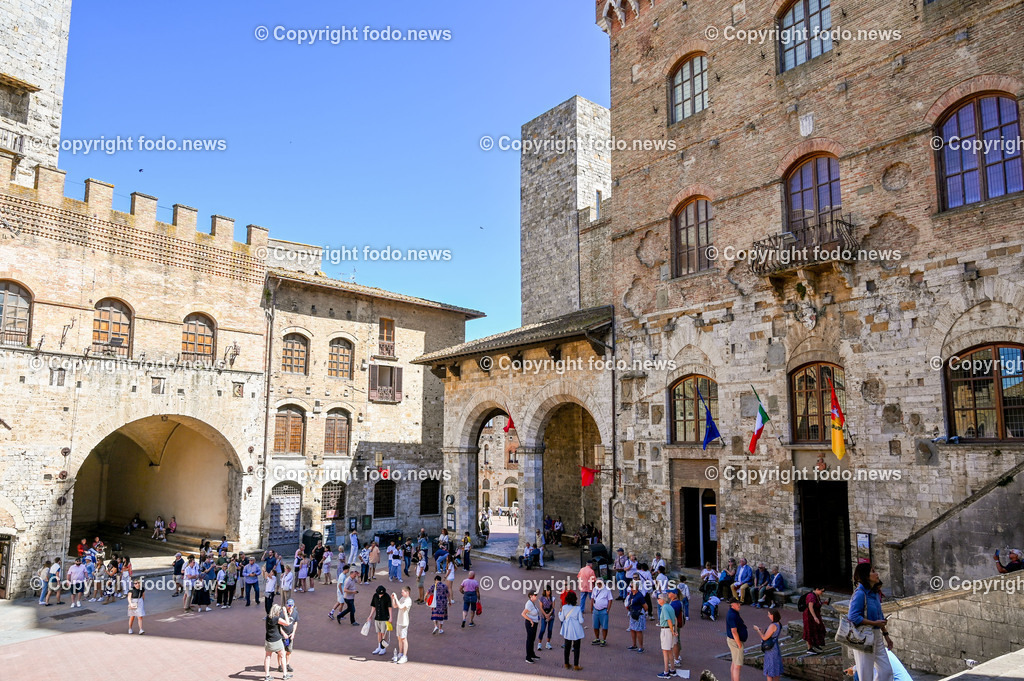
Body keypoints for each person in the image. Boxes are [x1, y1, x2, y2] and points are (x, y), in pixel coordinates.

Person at [848, 562, 894, 681]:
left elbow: (880, 616)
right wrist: (874, 624)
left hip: (877, 635)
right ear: (866, 576)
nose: (877, 574)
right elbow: (853, 617)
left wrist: (886, 636)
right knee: (866, 675)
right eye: (873, 571)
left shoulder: (874, 593)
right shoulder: (859, 594)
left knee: (886, 671)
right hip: (863, 636)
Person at [559, 590, 585, 671]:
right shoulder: (578, 608)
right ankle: (576, 665)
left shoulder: (564, 607)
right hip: (576, 629)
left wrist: (559, 613)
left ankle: (566, 663)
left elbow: (561, 618)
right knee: (577, 648)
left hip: (567, 629)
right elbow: (581, 621)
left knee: (567, 647)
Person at [754, 608, 783, 681]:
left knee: (769, 672)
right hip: (776, 648)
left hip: (771, 651)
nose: (768, 616)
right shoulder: (779, 624)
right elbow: (771, 635)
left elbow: (764, 637)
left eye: (769, 614)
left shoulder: (773, 626)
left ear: (773, 615)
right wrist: (763, 631)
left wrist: (758, 630)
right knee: (776, 671)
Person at [263, 603, 289, 681]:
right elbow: (287, 623)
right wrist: (285, 613)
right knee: (283, 656)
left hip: (268, 640)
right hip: (276, 640)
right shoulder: (276, 619)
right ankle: (285, 674)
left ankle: (267, 675)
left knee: (268, 657)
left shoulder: (268, 617)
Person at [725, 597, 748, 681]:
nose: (739, 605)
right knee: (737, 666)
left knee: (734, 663)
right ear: (732, 605)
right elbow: (734, 631)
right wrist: (739, 644)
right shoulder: (732, 615)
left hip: (734, 641)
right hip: (735, 642)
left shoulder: (733, 613)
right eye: (737, 604)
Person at [657, 592, 678, 679]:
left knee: (665, 651)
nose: (657, 600)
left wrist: (672, 631)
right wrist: (674, 630)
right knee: (670, 650)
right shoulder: (669, 606)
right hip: (670, 629)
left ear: (662, 599)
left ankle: (666, 671)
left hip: (666, 630)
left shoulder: (664, 608)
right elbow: (675, 619)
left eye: (658, 598)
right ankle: (672, 669)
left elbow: (668, 620)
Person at [801, 586, 828, 653]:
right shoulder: (811, 596)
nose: (822, 593)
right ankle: (809, 648)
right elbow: (811, 607)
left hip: (815, 615)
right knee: (810, 631)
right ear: (817, 589)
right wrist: (815, 617)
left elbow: (817, 604)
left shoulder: (816, 596)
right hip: (810, 616)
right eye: (821, 591)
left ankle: (815, 644)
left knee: (818, 629)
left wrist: (823, 603)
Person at [367, 585, 392, 656]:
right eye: (380, 594)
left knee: (383, 633)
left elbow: (389, 607)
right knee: (379, 633)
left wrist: (390, 617)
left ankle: (383, 648)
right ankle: (379, 647)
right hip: (377, 617)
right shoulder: (375, 596)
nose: (381, 595)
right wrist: (370, 615)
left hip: (384, 618)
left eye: (382, 594)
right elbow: (373, 606)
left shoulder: (387, 597)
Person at [390, 586, 412, 663]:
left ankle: (405, 656)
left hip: (404, 622)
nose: (401, 593)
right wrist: (393, 599)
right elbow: (395, 606)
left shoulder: (408, 600)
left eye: (403, 592)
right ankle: (400, 653)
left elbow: (401, 607)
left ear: (407, 592)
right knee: (399, 638)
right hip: (399, 621)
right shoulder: (402, 598)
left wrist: (396, 598)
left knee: (404, 638)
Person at [590, 577, 613, 646]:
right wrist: (591, 607)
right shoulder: (594, 589)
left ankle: (604, 639)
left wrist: (608, 609)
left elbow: (610, 600)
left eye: (600, 583)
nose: (598, 585)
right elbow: (592, 598)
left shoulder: (607, 590)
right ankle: (597, 639)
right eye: (597, 583)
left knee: (604, 626)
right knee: (595, 626)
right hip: (596, 610)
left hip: (603, 610)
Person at [627, 581, 647, 652]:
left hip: (638, 614)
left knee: (638, 630)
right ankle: (634, 645)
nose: (631, 588)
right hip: (632, 613)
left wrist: (641, 612)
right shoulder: (632, 594)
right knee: (632, 629)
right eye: (630, 586)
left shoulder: (639, 595)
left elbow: (645, 606)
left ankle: (641, 647)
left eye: (632, 586)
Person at [280, 599, 298, 678]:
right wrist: (283, 633)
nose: (290, 607)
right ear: (286, 605)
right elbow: (279, 625)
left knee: (289, 651)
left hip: (290, 635)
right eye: (289, 606)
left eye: (292, 605)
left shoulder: (295, 613)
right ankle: (280, 665)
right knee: (281, 652)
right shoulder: (282, 613)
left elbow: (295, 623)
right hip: (283, 635)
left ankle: (287, 664)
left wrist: (293, 632)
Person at [523, 590, 541, 664]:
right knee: (530, 639)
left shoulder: (532, 603)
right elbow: (523, 613)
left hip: (534, 623)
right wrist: (530, 620)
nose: (536, 596)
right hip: (531, 624)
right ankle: (528, 657)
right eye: (535, 595)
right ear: (531, 596)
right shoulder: (529, 604)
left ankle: (532, 654)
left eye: (536, 595)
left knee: (532, 639)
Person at [537, 585, 555, 651]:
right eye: (547, 590)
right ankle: (539, 643)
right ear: (545, 591)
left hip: (551, 616)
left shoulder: (552, 598)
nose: (549, 592)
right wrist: (545, 614)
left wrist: (549, 614)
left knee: (550, 630)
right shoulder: (541, 598)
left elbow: (553, 607)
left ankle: (548, 643)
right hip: (544, 616)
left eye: (549, 590)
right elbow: (541, 607)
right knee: (542, 629)